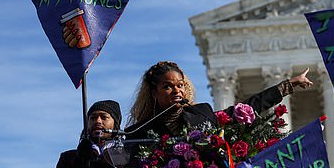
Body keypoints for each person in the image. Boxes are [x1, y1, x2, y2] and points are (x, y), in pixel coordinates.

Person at [126, 61, 313, 139]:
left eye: (180, 85)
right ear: (154, 93)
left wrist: (288, 85)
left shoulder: (201, 114)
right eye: (167, 86)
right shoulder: (139, 132)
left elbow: (246, 108)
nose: (176, 90)